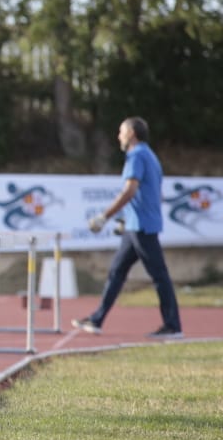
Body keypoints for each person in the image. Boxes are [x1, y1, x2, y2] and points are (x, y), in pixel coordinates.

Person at [72, 117, 182, 339]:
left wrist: (105, 216)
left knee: (159, 276)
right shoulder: (149, 155)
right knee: (116, 272)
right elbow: (152, 193)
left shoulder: (137, 155)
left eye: (121, 132)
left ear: (131, 133)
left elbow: (129, 191)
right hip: (135, 225)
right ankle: (97, 319)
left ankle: (173, 326)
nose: (118, 136)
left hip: (142, 227)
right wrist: (127, 218)